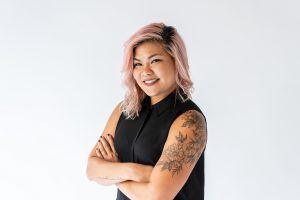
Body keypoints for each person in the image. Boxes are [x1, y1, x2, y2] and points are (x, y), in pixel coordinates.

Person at [86, 22, 208, 200]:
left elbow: (156, 197)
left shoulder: (189, 120)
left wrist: (113, 174)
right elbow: (91, 169)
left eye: (155, 60)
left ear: (176, 61)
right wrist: (136, 172)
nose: (145, 72)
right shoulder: (124, 109)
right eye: (137, 64)